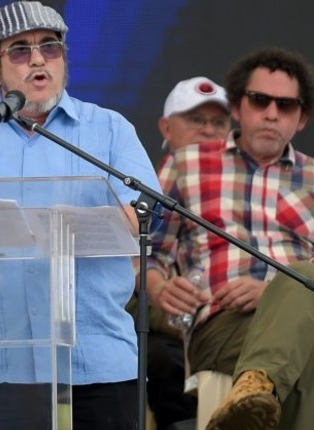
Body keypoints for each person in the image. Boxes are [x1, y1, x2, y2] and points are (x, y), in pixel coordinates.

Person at [0, 2, 161, 429]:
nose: (38, 59)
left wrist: (62, 231)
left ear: (64, 59)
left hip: (94, 354)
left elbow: (145, 211)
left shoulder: (109, 129)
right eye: (20, 50)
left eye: (50, 48)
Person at [147, 47, 314, 430]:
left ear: (302, 118)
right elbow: (149, 251)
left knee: (308, 275)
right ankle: (258, 382)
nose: (272, 113)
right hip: (227, 325)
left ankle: (257, 380)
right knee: (308, 358)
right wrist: (159, 286)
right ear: (238, 108)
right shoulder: (186, 165)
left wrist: (275, 291)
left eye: (287, 105)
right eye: (260, 100)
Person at [140, 76, 231, 430]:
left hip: (226, 318)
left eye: (218, 122)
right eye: (196, 120)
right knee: (166, 361)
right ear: (166, 126)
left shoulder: (250, 191)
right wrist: (163, 296)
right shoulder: (140, 181)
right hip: (164, 327)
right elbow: (133, 267)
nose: (208, 130)